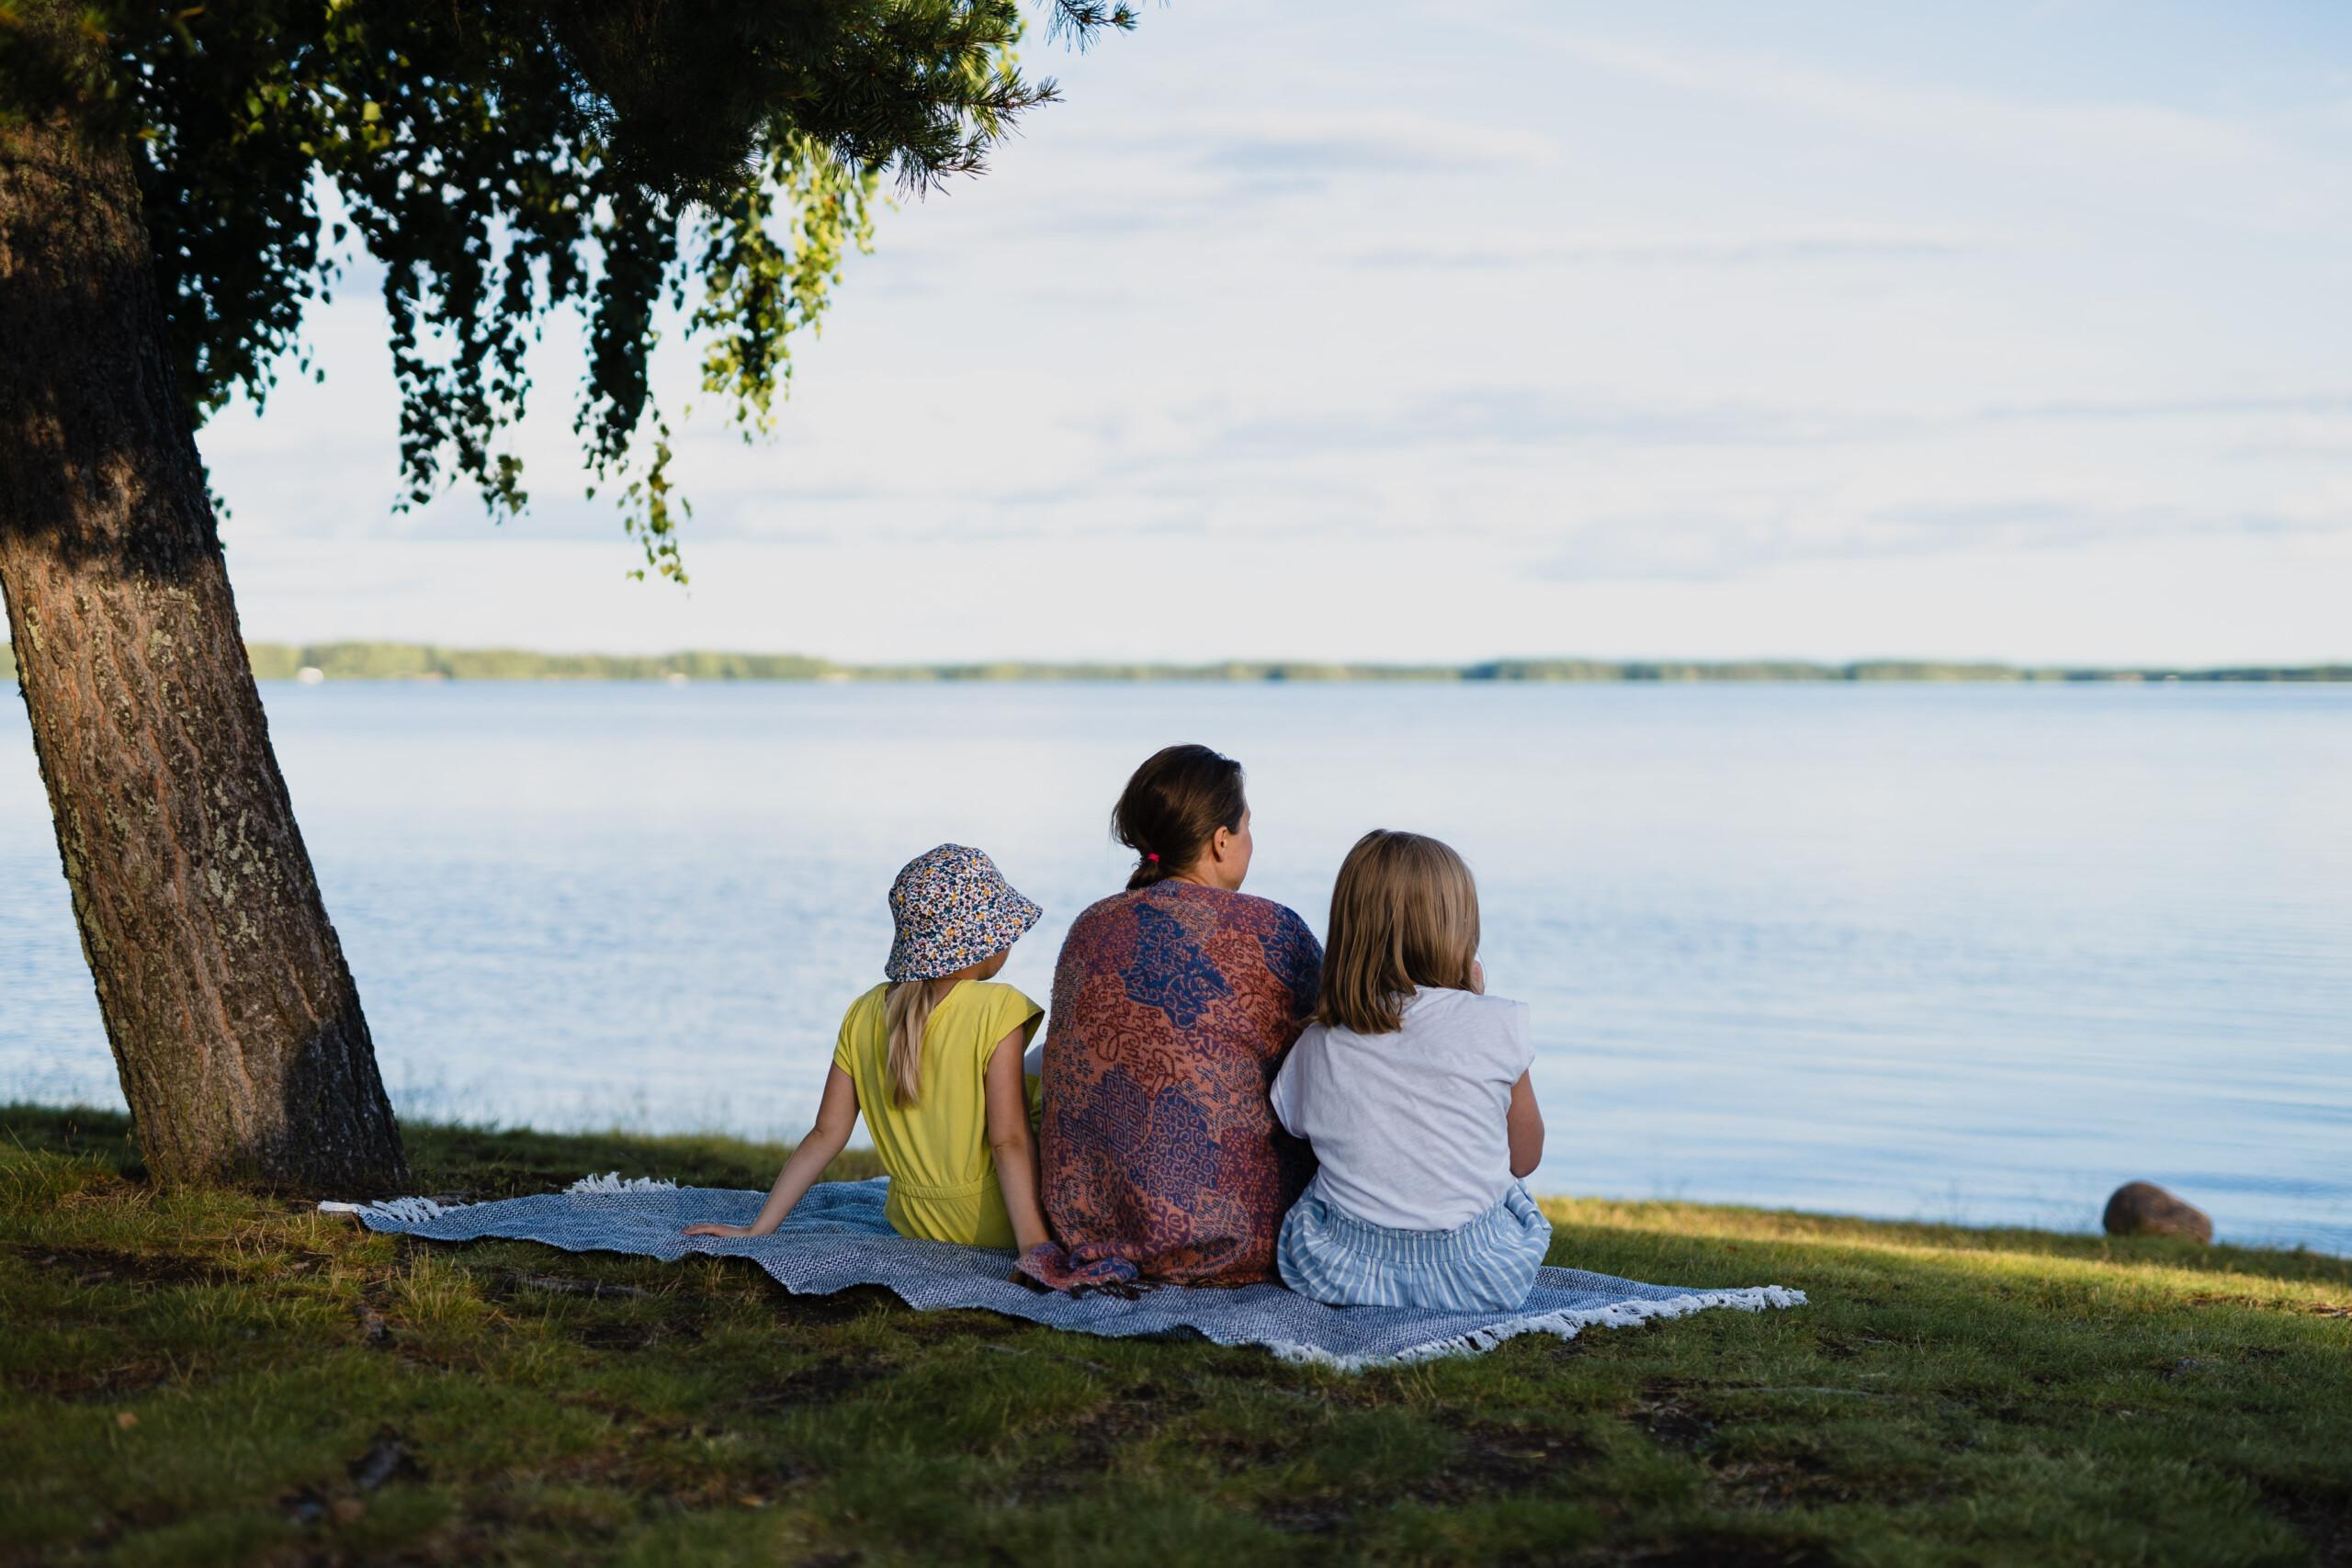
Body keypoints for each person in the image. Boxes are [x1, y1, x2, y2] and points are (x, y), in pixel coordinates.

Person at [1021, 744, 1323, 1292]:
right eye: (1248, 826)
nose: (1250, 840)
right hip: (1234, 1235)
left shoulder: (1091, 926)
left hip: (1095, 1226)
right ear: (1221, 840)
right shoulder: (1274, 930)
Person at [683, 844, 1049, 1250]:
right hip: (997, 1223)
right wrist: (1034, 1246)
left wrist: (759, 1229)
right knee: (1052, 1057)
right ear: (984, 937)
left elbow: (825, 1134)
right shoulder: (999, 1006)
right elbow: (1008, 1140)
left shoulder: (864, 1011)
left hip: (916, 1222)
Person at [1269, 829, 1551, 1311]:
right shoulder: (1500, 1022)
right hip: (1479, 1276)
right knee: (1507, 1188)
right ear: (1459, 932)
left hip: (1338, 1268)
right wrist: (1474, 1007)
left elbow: (1295, 1127)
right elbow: (1522, 1159)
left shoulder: (1319, 1041)